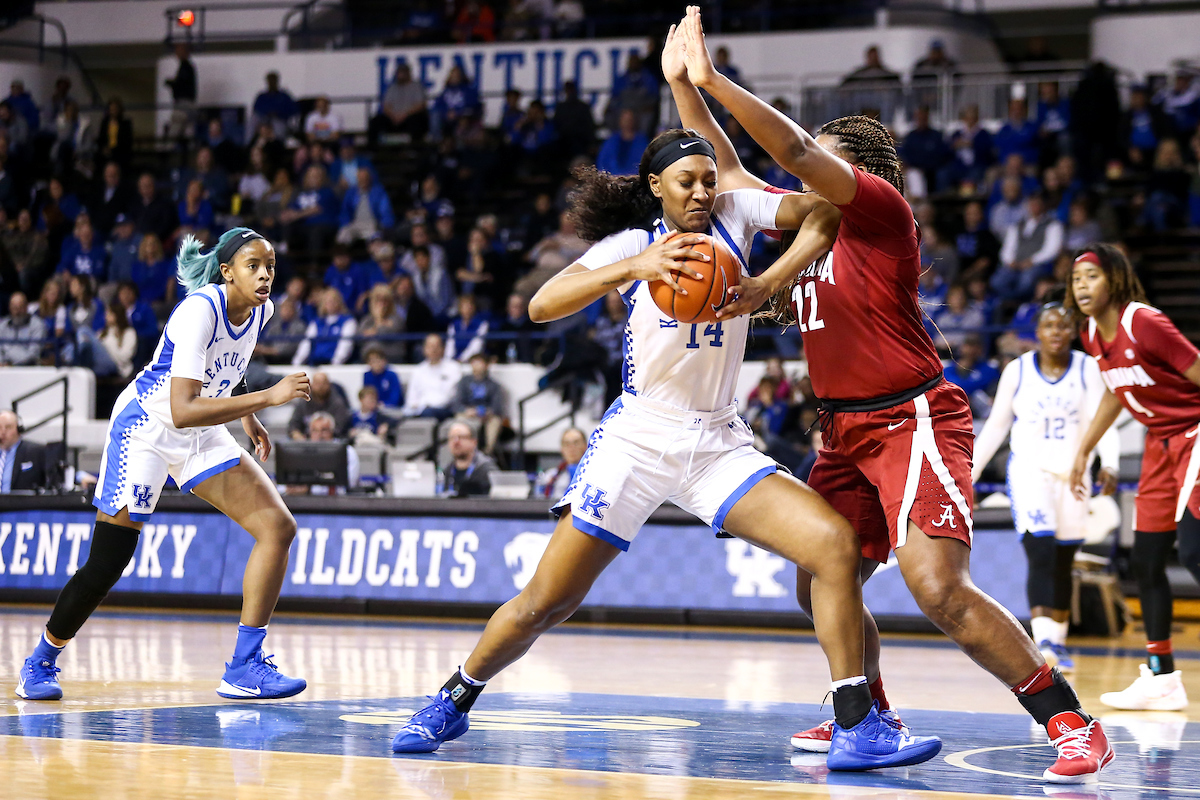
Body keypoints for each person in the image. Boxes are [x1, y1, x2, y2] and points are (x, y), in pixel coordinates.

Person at [390, 70, 928, 774]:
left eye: (710, 179)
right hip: (638, 439)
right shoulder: (630, 248)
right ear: (657, 189)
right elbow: (540, 305)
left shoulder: (737, 215)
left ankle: (857, 721)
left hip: (716, 442)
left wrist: (769, 280)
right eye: (688, 182)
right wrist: (636, 265)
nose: (704, 191)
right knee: (546, 603)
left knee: (830, 547)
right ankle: (454, 698)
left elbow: (823, 214)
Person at [678, 7, 1110, 781]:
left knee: (939, 590)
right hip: (843, 432)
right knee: (818, 581)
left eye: (820, 171)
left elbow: (794, 150)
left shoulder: (876, 211)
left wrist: (715, 78)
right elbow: (731, 172)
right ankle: (869, 716)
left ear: (855, 173)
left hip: (912, 418)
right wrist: (684, 89)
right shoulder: (804, 229)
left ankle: (1070, 721)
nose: (804, 181)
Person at [14, 227, 311, 703]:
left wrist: (250, 416)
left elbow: (226, 367)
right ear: (227, 271)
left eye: (270, 267)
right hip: (148, 428)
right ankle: (40, 661)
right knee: (109, 562)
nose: (264, 276)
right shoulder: (199, 310)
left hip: (201, 425)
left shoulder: (261, 310)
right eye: (253, 266)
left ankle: (244, 666)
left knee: (278, 528)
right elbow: (180, 409)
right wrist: (268, 397)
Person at [1067, 244, 1200, 712]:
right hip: (1160, 446)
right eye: (1076, 278)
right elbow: (1115, 390)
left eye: (1091, 277)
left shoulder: (1143, 321)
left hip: (1195, 433)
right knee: (1145, 560)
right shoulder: (1090, 332)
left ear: (1116, 279)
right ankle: (1162, 680)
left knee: (1195, 551)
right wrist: (1082, 451)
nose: (1082, 286)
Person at [973, 303, 1118, 671]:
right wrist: (968, 472)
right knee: (1040, 551)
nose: (1056, 331)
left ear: (1073, 332)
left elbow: (1106, 420)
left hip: (1074, 474)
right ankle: (1044, 644)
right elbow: (995, 426)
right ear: (1036, 332)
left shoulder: (1088, 368)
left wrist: (1111, 462)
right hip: (1030, 472)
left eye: (1063, 325)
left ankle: (1059, 640)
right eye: (1048, 325)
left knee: (1063, 558)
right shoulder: (1018, 371)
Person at [992, 190, 1064, 303]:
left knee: (1025, 282)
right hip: (1015, 264)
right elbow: (1008, 247)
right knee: (997, 281)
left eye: (1037, 203)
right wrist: (1010, 261)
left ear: (1043, 205)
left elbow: (1052, 250)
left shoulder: (1053, 225)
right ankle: (1013, 302)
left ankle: (1015, 303)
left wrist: (1032, 260)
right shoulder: (1017, 225)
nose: (1034, 206)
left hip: (1037, 264)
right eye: (1032, 203)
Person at [451, 352, 507, 457]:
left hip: (487, 415)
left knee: (495, 421)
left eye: (480, 363)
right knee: (459, 419)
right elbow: (457, 403)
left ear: (486, 365)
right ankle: (461, 450)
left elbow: (497, 407)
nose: (477, 366)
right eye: (474, 363)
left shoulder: (494, 385)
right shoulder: (464, 382)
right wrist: (467, 410)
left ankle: (487, 452)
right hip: (467, 413)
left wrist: (485, 412)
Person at [400, 333, 460, 420]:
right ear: (424, 349)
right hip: (420, 409)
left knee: (426, 413)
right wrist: (418, 406)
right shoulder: (418, 370)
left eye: (436, 346)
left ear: (442, 348)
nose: (434, 350)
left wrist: (427, 405)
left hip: (444, 409)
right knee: (403, 414)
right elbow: (411, 398)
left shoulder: (453, 368)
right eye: (430, 346)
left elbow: (450, 396)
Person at [293, 288, 356, 366]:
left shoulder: (348, 321)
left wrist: (335, 363)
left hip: (334, 364)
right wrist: (297, 362)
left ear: (339, 302)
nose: (330, 304)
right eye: (327, 301)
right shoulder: (316, 322)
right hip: (315, 364)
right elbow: (306, 343)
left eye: (333, 301)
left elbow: (345, 344)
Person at [370, 62, 428, 146]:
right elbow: (386, 106)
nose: (400, 75)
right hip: (393, 118)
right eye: (399, 73)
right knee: (376, 121)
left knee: (417, 122)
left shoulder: (416, 86)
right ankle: (374, 149)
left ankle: (414, 149)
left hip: (409, 117)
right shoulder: (392, 88)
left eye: (403, 73)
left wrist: (405, 115)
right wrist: (393, 116)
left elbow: (420, 105)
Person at [440, 419, 496, 497]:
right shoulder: (447, 470)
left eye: (461, 437)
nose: (456, 442)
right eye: (452, 437)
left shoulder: (486, 470)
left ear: (474, 442)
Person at [287, 370, 350, 439]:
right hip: (306, 442)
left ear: (329, 385)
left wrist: (323, 435)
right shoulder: (303, 402)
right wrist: (297, 435)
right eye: (317, 383)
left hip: (331, 443)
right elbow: (293, 425)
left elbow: (341, 429)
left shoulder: (338, 403)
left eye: (323, 383)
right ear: (311, 385)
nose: (320, 387)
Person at [0, 409, 48, 492]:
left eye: (8, 427)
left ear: (18, 429)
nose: (3, 432)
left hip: (20, 503)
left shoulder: (35, 452)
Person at [596, 109, 649, 177]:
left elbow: (643, 164)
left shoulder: (642, 142)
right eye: (624, 119)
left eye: (629, 119)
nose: (627, 122)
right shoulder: (611, 141)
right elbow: (602, 162)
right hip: (611, 180)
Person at [538, 426, 587, 498]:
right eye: (567, 444)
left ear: (585, 446)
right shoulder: (550, 477)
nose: (571, 448)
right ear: (561, 448)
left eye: (576, 443)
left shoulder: (595, 475)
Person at [0, 291, 46, 366]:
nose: (17, 312)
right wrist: (2, 363)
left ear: (26, 307)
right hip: (4, 368)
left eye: (20, 307)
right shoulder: (3, 326)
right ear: (9, 308)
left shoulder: (37, 324)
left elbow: (34, 353)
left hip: (29, 368)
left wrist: (12, 364)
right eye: (14, 308)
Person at [164, 43, 197, 143]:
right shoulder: (186, 67)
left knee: (175, 130)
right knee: (187, 131)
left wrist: (171, 83)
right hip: (187, 103)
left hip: (184, 103)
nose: (176, 53)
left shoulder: (186, 67)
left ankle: (166, 153)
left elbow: (182, 84)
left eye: (179, 51)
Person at [252, 72, 299, 140]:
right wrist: (266, 113)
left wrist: (279, 113)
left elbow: (294, 110)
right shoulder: (262, 96)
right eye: (270, 81)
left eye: (273, 80)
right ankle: (248, 146)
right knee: (253, 119)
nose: (271, 83)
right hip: (264, 118)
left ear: (277, 81)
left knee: (278, 126)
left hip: (279, 118)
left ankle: (277, 146)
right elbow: (256, 110)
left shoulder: (284, 96)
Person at [446, 294, 490, 362]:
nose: (467, 310)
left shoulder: (482, 324)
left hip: (473, 360)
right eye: (464, 307)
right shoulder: (453, 325)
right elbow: (450, 345)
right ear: (460, 309)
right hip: (454, 361)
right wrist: (449, 360)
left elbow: (476, 346)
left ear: (474, 308)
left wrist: (462, 359)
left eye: (469, 306)